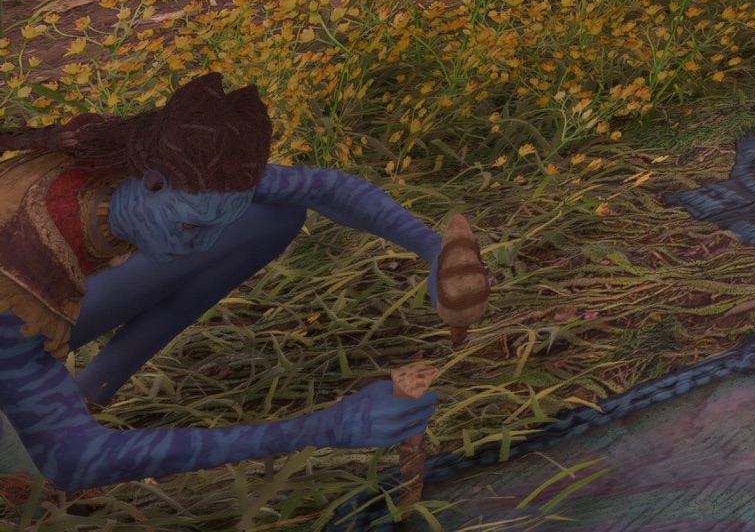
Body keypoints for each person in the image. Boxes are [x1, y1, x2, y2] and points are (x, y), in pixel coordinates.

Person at [0, 74, 481, 488]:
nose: (201, 245)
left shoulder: (135, 165)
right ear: (152, 182)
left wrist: (434, 251)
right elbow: (77, 460)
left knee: (270, 215)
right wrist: (323, 428)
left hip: (38, 307)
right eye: (191, 226)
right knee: (34, 476)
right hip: (12, 324)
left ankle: (90, 390)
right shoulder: (19, 285)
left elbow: (323, 187)